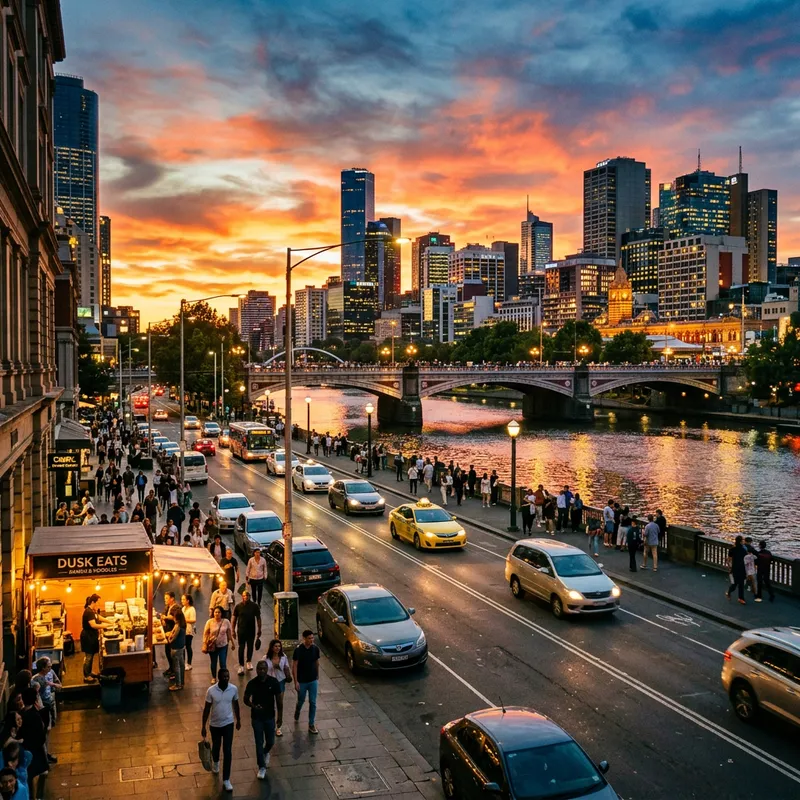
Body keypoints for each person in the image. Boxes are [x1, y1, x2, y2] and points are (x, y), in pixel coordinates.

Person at [201, 668, 240, 792]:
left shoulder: (233, 689)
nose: (226, 679)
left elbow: (236, 704)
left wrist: (238, 719)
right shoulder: (211, 691)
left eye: (227, 676)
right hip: (215, 725)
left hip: (228, 723)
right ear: (219, 677)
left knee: (227, 750)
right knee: (216, 747)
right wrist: (203, 726)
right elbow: (207, 709)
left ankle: (226, 779)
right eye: (224, 677)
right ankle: (216, 762)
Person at [244, 660, 281, 779]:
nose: (262, 671)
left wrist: (280, 717)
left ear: (267, 669)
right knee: (259, 742)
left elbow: (279, 701)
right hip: (257, 718)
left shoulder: (273, 682)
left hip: (270, 716)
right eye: (259, 669)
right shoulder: (252, 683)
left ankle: (265, 752)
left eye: (264, 669)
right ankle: (261, 766)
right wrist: (253, 706)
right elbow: (245, 699)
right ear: (256, 670)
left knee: (270, 741)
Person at [19, 688, 47, 799]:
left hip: (27, 748)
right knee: (35, 774)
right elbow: (41, 733)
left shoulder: (22, 714)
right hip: (35, 749)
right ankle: (35, 797)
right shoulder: (35, 715)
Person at [292, 629, 320, 735]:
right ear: (304, 639)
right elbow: (294, 665)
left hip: (312, 680)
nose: (311, 640)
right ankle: (298, 709)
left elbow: (317, 662)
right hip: (302, 680)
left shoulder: (315, 649)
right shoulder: (298, 650)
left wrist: (317, 675)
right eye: (309, 638)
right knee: (301, 700)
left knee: (313, 702)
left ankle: (311, 724)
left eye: (312, 638)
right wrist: (296, 682)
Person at [80, 595, 114, 683]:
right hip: (88, 636)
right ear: (92, 602)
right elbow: (93, 625)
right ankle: (86, 676)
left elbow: (98, 617)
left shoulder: (92, 611)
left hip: (91, 636)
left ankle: (89, 672)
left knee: (90, 655)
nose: (99, 604)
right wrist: (106, 625)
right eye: (98, 602)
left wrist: (109, 621)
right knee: (89, 656)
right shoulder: (88, 612)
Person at [263, 639, 292, 736]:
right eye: (275, 646)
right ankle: (270, 724)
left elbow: (286, 668)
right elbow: (262, 670)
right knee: (270, 704)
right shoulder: (266, 658)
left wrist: (285, 672)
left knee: (280, 703)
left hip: (280, 682)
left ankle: (279, 725)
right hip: (270, 682)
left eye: (279, 646)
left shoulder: (283, 657)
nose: (277, 648)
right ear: (271, 647)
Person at [232, 590, 262, 675]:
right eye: (244, 596)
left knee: (250, 646)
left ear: (250, 596)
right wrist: (233, 630)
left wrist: (259, 629)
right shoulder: (238, 607)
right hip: (241, 630)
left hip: (251, 630)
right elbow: (234, 619)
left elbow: (258, 618)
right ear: (242, 597)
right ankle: (241, 665)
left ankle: (249, 661)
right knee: (241, 648)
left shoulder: (254, 606)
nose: (246, 597)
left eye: (247, 596)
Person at [204, 606, 234, 681]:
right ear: (213, 613)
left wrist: (232, 643)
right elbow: (205, 633)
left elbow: (229, 633)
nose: (217, 614)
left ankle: (223, 678)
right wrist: (204, 643)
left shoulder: (226, 621)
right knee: (213, 662)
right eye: (215, 612)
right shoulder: (209, 622)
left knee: (223, 663)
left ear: (221, 613)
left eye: (219, 612)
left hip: (223, 645)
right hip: (213, 646)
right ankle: (214, 677)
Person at [160, 591, 180, 678]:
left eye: (167, 598)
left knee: (172, 652)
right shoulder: (168, 606)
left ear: (172, 599)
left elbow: (174, 617)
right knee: (167, 651)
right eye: (165, 598)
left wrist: (166, 617)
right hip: (167, 631)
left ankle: (174, 671)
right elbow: (163, 614)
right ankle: (171, 668)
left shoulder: (176, 607)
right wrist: (163, 619)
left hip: (172, 632)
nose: (165, 600)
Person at [167, 609, 187, 691]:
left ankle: (178, 684)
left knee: (177, 667)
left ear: (177, 618)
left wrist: (169, 639)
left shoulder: (178, 626)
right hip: (181, 647)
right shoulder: (183, 625)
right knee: (181, 665)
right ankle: (182, 682)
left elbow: (173, 637)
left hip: (176, 648)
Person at [726, 535, 748, 604]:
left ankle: (739, 597)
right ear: (741, 541)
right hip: (741, 568)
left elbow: (728, 560)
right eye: (743, 540)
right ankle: (739, 597)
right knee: (738, 584)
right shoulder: (744, 550)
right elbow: (746, 561)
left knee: (736, 583)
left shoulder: (732, 549)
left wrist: (729, 567)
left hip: (735, 568)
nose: (744, 541)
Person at [181, 594, 196, 671]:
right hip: (183, 630)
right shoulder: (183, 608)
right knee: (182, 647)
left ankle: (189, 663)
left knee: (188, 647)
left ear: (188, 601)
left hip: (189, 631)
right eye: (182, 599)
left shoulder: (192, 609)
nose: (182, 601)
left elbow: (193, 620)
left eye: (183, 599)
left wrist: (184, 620)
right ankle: (183, 663)